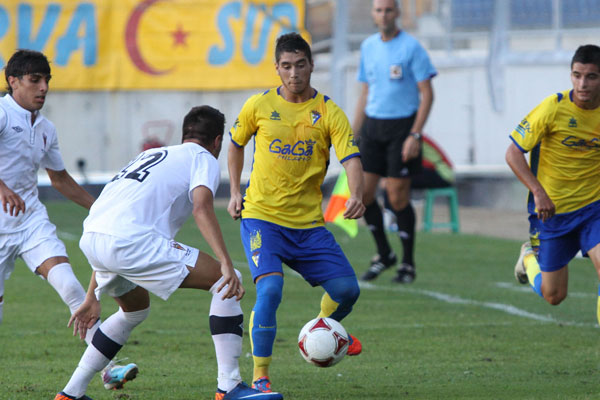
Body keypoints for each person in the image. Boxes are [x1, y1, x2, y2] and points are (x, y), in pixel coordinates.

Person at [54, 106, 282, 400]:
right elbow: (201, 207)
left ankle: (70, 394)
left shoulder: (149, 155)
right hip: (129, 241)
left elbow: (111, 225)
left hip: (94, 238)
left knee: (134, 310)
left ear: (185, 133)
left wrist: (91, 296)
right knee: (228, 280)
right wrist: (225, 261)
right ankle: (229, 387)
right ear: (216, 142)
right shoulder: (203, 158)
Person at [227, 32, 365, 394]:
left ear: (311, 66)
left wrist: (357, 193)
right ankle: (260, 375)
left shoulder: (328, 112)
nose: (293, 74)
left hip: (307, 225)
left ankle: (324, 329)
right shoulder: (258, 105)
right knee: (270, 289)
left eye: (300, 65)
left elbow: (351, 158)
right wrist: (233, 191)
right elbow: (236, 143)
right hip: (262, 218)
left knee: (347, 290)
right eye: (286, 66)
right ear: (276, 68)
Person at [0, 49, 135, 390]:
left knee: (70, 285)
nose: (43, 87)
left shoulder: (45, 128)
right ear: (13, 81)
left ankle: (108, 368)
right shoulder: (2, 114)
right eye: (34, 80)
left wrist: (100, 208)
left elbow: (60, 179)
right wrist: (2, 187)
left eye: (46, 81)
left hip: (30, 221)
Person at [508, 44, 600, 322]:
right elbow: (513, 153)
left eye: (592, 77)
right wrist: (538, 192)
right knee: (554, 295)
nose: (582, 83)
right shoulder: (553, 108)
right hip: (553, 212)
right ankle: (528, 257)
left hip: (594, 208)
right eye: (577, 75)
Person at [353, 0, 437, 284]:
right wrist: (354, 132)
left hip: (402, 127)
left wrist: (415, 134)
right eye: (378, 10)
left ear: (397, 13)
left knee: (397, 197)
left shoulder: (411, 47)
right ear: (373, 14)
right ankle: (384, 254)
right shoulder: (368, 47)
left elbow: (427, 94)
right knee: (363, 196)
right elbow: (365, 91)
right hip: (373, 127)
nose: (383, 15)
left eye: (388, 10)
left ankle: (408, 263)